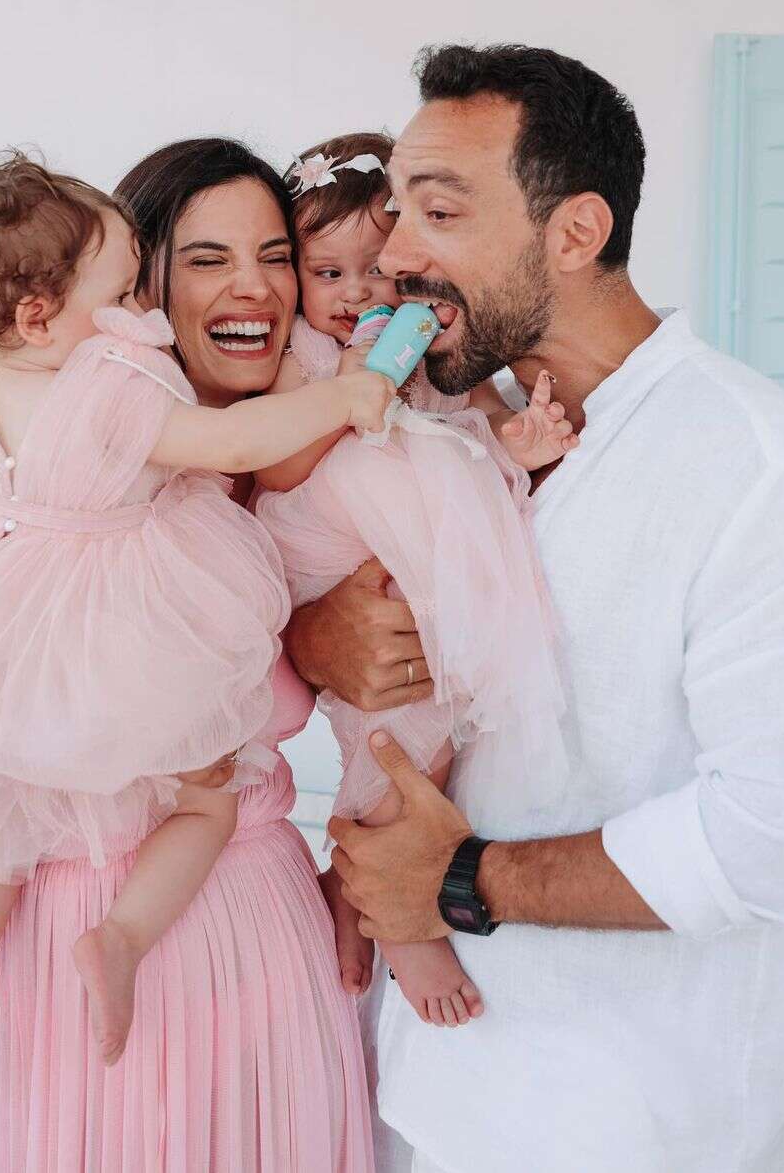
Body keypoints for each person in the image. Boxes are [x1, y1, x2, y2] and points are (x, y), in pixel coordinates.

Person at [289, 45, 784, 1173]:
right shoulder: (455, 436)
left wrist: (463, 880)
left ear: (576, 233)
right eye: (397, 211)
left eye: (438, 213)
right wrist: (318, 639)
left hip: (615, 1135)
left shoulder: (764, 475)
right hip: (416, 1099)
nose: (392, 255)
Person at [0, 138, 378, 1173]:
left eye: (276, 256)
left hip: (246, 932)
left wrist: (363, 886)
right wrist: (100, 741)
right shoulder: (75, 430)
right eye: (207, 259)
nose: (254, 286)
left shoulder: (320, 470)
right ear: (145, 281)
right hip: (49, 927)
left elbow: (402, 714)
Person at [255, 130, 574, 1026]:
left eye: (377, 270)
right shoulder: (306, 359)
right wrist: (346, 394)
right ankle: (398, 919)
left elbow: (481, 429)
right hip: (329, 546)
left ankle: (356, 877)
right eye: (328, 273)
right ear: (298, 280)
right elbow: (275, 468)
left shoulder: (436, 349)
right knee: (397, 727)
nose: (357, 293)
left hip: (409, 570)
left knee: (423, 734)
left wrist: (523, 442)